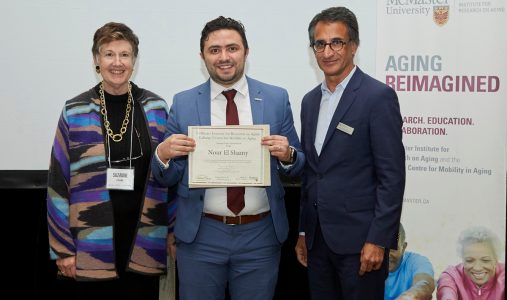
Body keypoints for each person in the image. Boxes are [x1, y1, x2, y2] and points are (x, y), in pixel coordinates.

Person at [152, 16, 305, 300]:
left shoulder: (275, 98)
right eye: (215, 50)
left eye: (232, 48)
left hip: (260, 234)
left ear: (246, 51)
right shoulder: (184, 102)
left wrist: (288, 155)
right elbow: (167, 176)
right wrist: (162, 155)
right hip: (201, 235)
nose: (224, 57)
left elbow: (298, 165)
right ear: (203, 57)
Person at [46, 22, 175, 300]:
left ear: (134, 60)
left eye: (125, 55)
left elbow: (172, 176)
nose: (117, 63)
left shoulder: (157, 108)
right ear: (96, 59)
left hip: (144, 241)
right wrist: (63, 248)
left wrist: (173, 232)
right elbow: (58, 182)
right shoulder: (75, 109)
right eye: (109, 54)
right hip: (90, 244)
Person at [295, 6, 406, 299]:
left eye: (337, 43)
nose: (327, 52)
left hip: (361, 244)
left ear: (353, 46)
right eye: (320, 44)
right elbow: (312, 173)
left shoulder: (377, 97)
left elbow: (391, 177)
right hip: (318, 243)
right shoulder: (309, 102)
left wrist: (378, 240)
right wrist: (304, 233)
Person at [437, 226, 505, 299]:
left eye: (485, 260)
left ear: (496, 260)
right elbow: (447, 292)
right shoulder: (452, 275)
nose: (477, 268)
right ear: (462, 259)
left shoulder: (503, 275)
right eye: (470, 260)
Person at [385, 223, 435, 300]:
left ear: (403, 247)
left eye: (393, 249)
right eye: (382, 248)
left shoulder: (417, 262)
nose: (387, 254)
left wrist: (409, 297)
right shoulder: (367, 262)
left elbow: (425, 283)